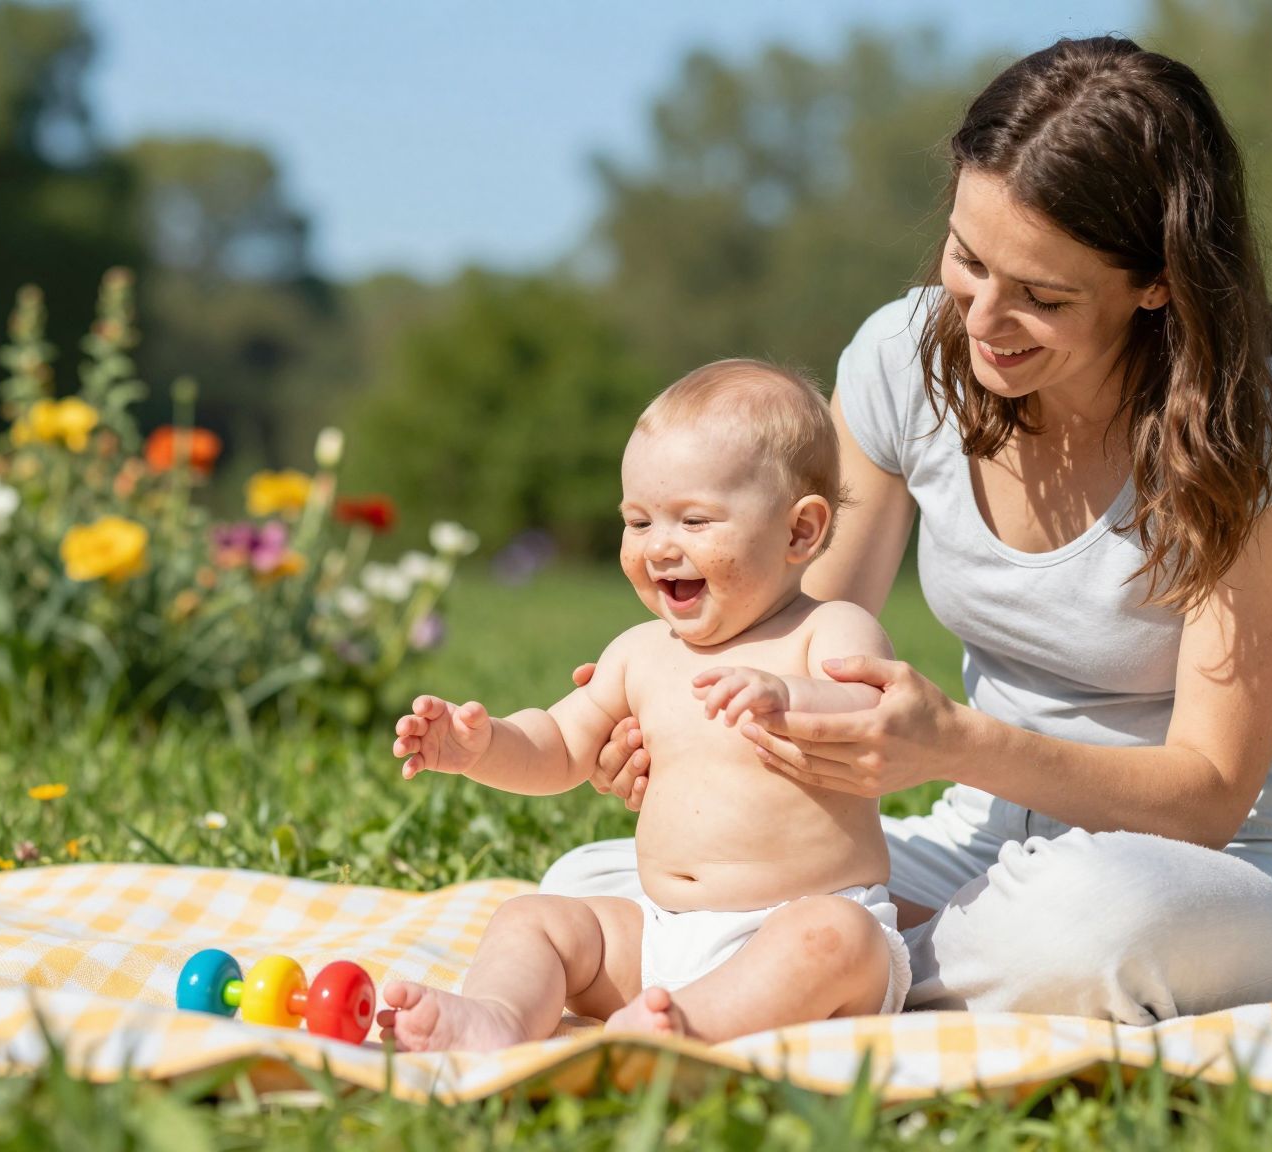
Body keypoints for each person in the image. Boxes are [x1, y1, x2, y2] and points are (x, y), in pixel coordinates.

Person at [546, 35, 1272, 1025]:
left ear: (1156, 281)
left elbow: (1208, 794)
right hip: (977, 846)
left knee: (1085, 926)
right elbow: (789, 634)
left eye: (1042, 297)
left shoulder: (1260, 427)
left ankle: (831, 968)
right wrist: (683, 731)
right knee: (588, 881)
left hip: (1222, 871)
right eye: (967, 261)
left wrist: (949, 743)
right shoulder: (903, 360)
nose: (982, 319)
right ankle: (836, 964)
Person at [378, 360, 913, 1051]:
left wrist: (790, 696)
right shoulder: (640, 651)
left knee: (836, 939)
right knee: (533, 918)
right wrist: (481, 747)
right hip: (662, 933)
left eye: (694, 520)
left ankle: (685, 1028)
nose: (659, 546)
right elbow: (559, 746)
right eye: (638, 521)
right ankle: (497, 1017)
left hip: (798, 925)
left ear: (798, 532)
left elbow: (871, 714)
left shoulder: (827, 630)